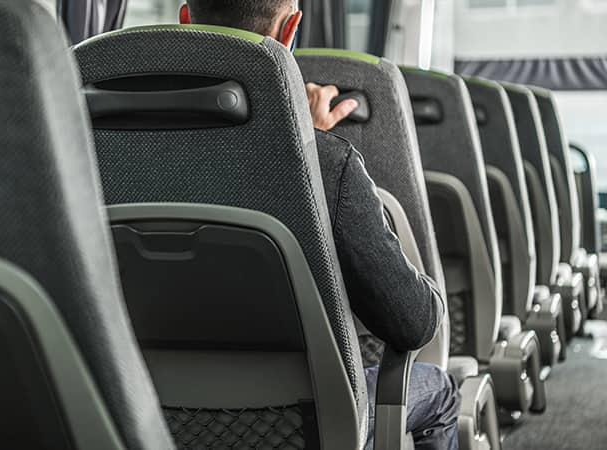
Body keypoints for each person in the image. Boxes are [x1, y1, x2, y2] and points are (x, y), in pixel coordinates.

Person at [180, 2, 461, 449]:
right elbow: (413, 323)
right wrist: (308, 150)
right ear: (290, 26)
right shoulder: (326, 167)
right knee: (440, 393)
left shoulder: (102, 157)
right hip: (298, 426)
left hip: (146, 416)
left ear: (185, 20)